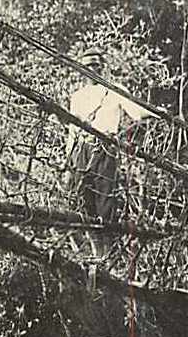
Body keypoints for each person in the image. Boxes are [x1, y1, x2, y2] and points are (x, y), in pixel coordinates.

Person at [66, 47, 154, 260]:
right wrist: (68, 159)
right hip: (81, 149)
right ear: (81, 69)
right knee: (83, 200)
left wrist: (157, 113)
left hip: (105, 148)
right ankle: (97, 252)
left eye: (96, 65)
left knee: (105, 201)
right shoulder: (77, 96)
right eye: (88, 66)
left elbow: (137, 112)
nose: (92, 69)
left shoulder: (114, 89)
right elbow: (71, 129)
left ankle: (107, 253)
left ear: (102, 67)